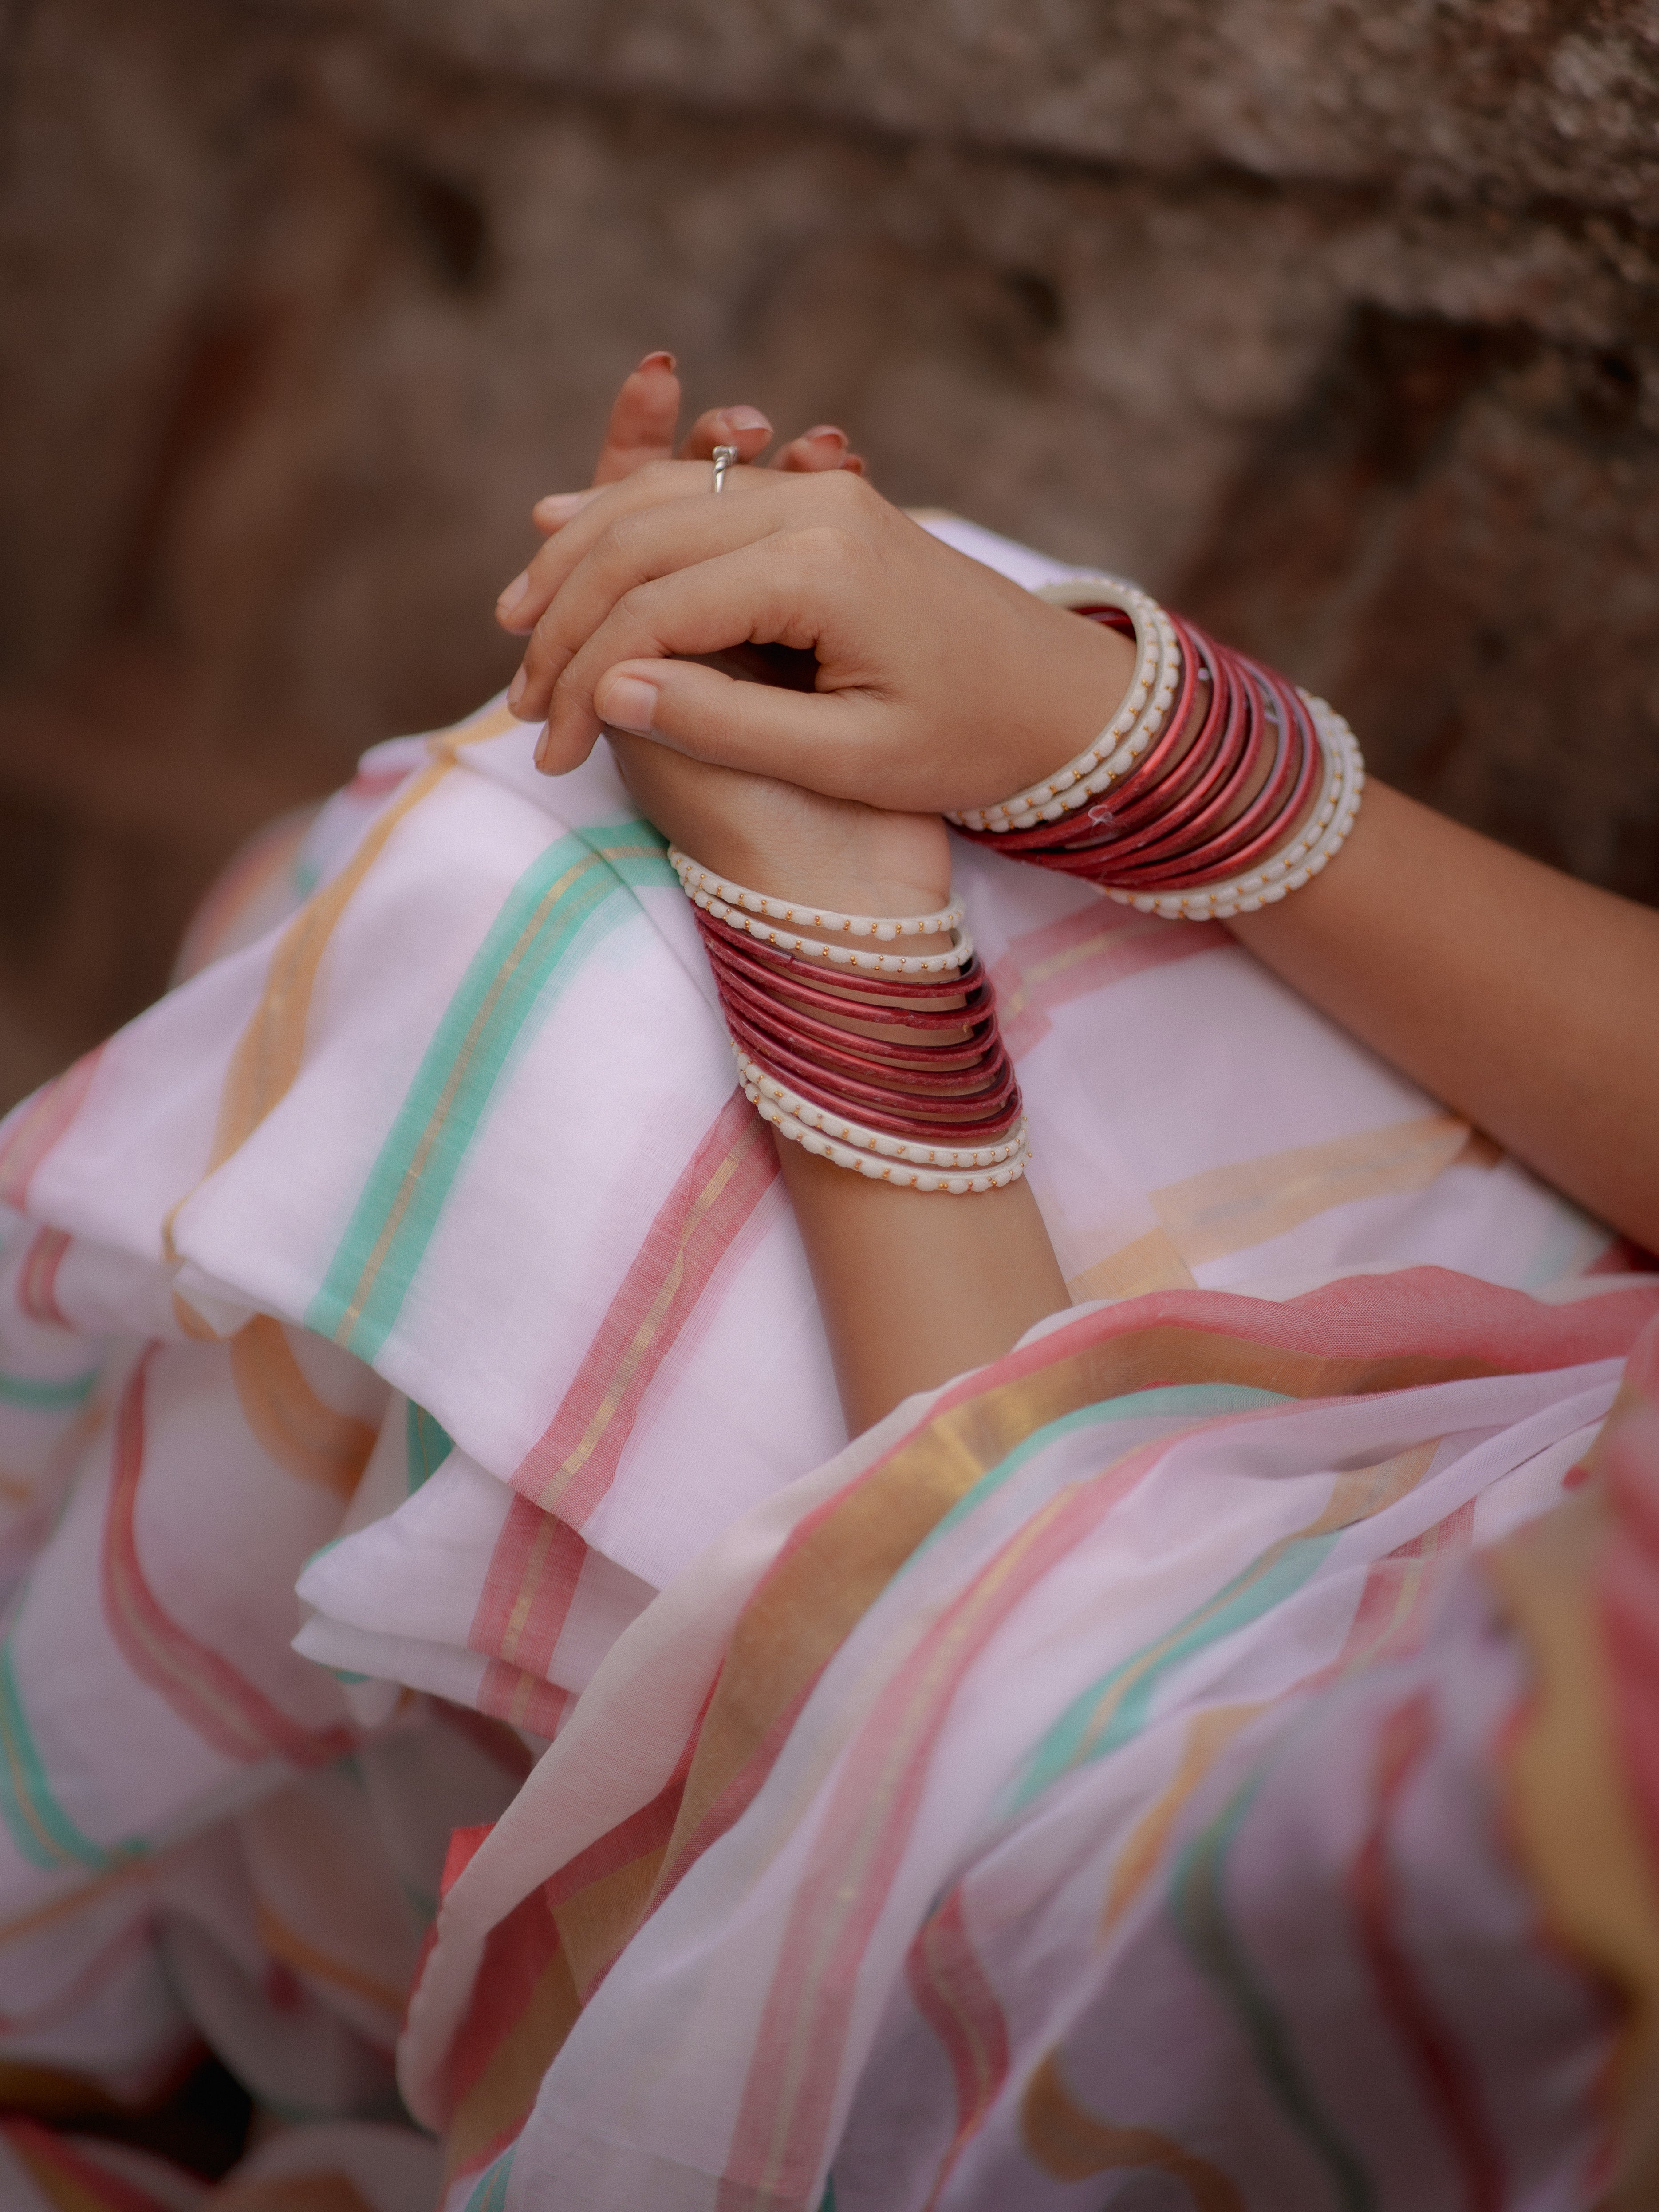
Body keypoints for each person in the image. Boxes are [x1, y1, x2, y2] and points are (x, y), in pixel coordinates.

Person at [0, 355, 1654, 2211]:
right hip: (1475, 1418)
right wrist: (1105, 726)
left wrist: (856, 978)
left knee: (542, 992)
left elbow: (1089, 1921)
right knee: (775, 691)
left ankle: (81, 1904)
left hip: (1060, 1821)